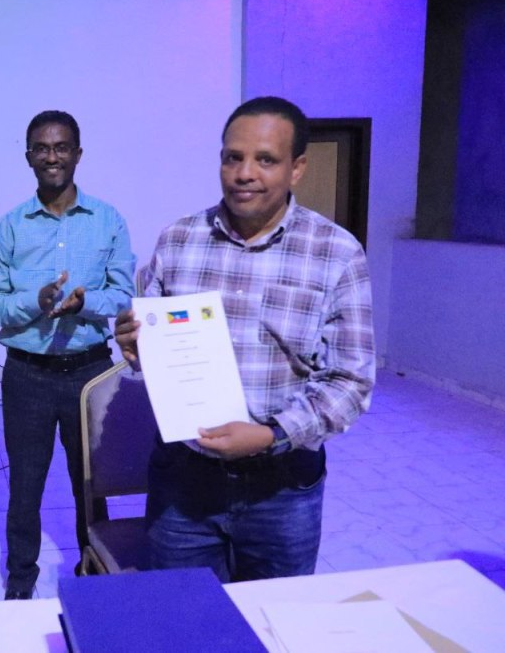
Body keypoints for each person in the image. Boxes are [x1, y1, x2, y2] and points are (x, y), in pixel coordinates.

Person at [115, 96, 375, 583]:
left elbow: (350, 382)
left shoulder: (337, 253)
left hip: (283, 488)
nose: (244, 173)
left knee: (274, 616)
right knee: (185, 615)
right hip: (183, 482)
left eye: (265, 160)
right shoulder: (178, 240)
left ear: (297, 168)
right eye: (232, 157)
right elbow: (148, 349)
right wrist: (134, 344)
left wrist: (272, 436)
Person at [0, 110, 135, 599]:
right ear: (29, 157)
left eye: (62, 147)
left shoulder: (108, 220)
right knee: (24, 488)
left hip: (91, 373)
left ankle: (96, 579)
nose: (52, 157)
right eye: (42, 148)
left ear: (78, 154)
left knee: (91, 484)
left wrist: (85, 302)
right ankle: (19, 584)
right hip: (26, 376)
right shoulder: (8, 228)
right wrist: (36, 301)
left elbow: (124, 295)